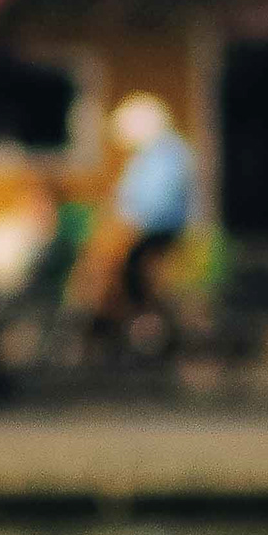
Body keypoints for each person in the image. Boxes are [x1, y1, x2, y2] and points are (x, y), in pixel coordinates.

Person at [100, 93, 195, 356]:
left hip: (156, 232)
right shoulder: (155, 153)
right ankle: (137, 331)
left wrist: (125, 223)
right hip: (146, 230)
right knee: (128, 277)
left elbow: (155, 204)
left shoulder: (166, 153)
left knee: (138, 279)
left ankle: (149, 334)